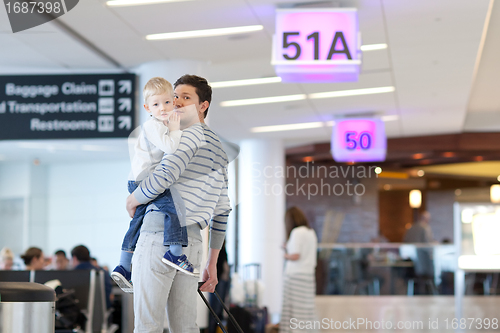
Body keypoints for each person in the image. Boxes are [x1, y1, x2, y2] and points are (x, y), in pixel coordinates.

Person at [125, 74, 232, 332]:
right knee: (185, 327)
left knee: (147, 324)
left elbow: (166, 174)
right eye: (175, 97)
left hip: (160, 235)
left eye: (186, 97)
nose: (177, 102)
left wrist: (133, 198)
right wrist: (212, 262)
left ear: (203, 105)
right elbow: (222, 207)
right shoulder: (218, 146)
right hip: (193, 245)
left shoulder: (185, 136)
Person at [112, 77, 196, 294]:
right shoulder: (153, 126)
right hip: (144, 180)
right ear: (147, 107)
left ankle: (123, 264)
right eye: (156, 104)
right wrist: (175, 127)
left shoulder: (158, 125)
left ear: (173, 102)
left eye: (167, 103)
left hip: (137, 179)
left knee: (137, 221)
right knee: (175, 208)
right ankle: (175, 252)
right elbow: (171, 147)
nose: (163, 108)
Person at [279, 207, 318, 333]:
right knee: (306, 311)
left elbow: (296, 255)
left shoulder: (296, 232)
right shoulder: (310, 232)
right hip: (308, 276)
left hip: (295, 278)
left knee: (294, 313)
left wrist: (285, 255)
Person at [208, 241, 231, 333]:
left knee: (219, 308)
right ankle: (212, 330)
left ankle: (214, 329)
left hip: (222, 279)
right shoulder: (217, 248)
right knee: (216, 308)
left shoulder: (221, 248)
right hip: (219, 280)